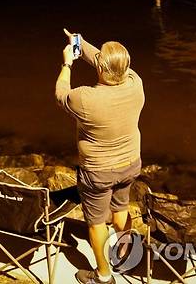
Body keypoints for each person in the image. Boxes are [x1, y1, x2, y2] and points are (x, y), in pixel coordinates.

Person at [55, 28, 145, 284]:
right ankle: (127, 253)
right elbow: (104, 62)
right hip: (130, 165)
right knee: (121, 208)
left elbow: (61, 93)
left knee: (96, 223)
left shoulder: (85, 98)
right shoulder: (136, 84)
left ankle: (103, 276)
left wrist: (68, 62)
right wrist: (80, 43)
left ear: (101, 70)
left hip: (98, 173)